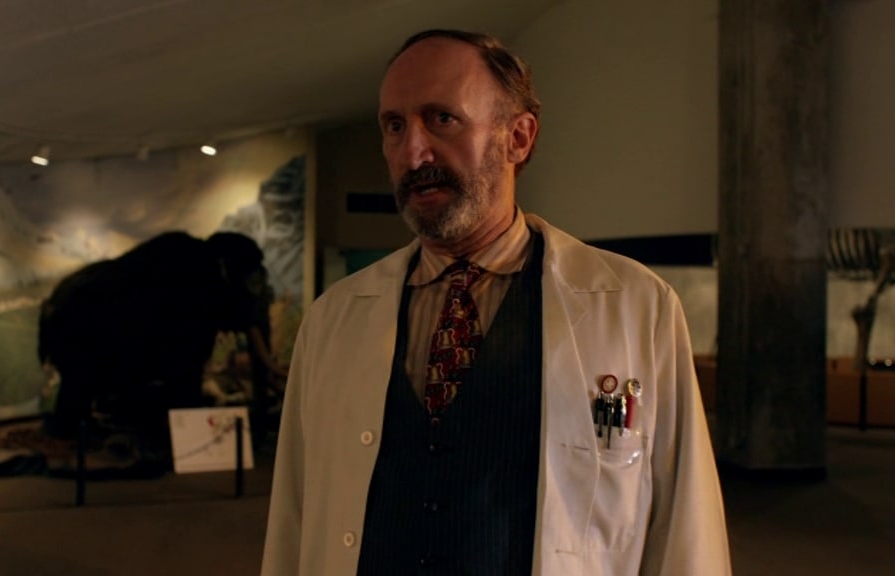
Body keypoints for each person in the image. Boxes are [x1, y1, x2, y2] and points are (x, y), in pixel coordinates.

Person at [262, 29, 731, 575]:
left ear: (519, 138)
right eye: (394, 126)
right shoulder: (333, 319)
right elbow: (293, 515)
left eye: (442, 119)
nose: (412, 153)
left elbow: (685, 525)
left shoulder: (636, 307)